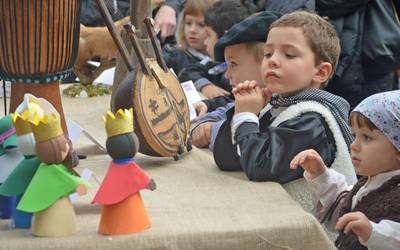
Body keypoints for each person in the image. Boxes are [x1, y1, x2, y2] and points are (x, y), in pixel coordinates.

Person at [213, 11, 357, 211]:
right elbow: (226, 159)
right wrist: (244, 112)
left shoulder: (314, 119)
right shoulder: (277, 105)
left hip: (314, 235)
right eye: (268, 53)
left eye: (289, 54)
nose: (273, 61)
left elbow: (259, 166)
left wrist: (246, 117)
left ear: (321, 72)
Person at [290, 91, 400, 250]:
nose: (354, 145)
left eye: (367, 138)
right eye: (354, 135)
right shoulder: (370, 181)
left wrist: (373, 233)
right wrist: (321, 175)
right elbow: (344, 212)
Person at [190, 11, 281, 149]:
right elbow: (227, 109)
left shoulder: (283, 109)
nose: (227, 75)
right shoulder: (255, 98)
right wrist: (205, 123)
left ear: (265, 62)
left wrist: (213, 130)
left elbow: (242, 149)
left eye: (233, 64)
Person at [179, 0, 251, 99]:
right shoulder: (217, 64)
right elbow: (188, 72)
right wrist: (205, 86)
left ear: (224, 38)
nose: (205, 42)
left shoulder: (244, 76)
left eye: (208, 35)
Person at [162, 0, 215, 77]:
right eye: (188, 23)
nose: (192, 30)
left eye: (201, 25)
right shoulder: (172, 56)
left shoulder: (222, 61)